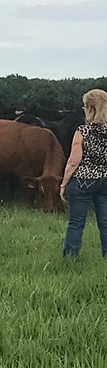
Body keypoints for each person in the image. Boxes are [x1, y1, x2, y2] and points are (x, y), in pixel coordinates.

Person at [61, 89, 107, 258]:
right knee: (105, 223)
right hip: (105, 180)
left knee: (76, 223)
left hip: (82, 181)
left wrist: (64, 184)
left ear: (90, 108)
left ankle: (71, 258)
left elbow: (73, 162)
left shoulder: (82, 131)